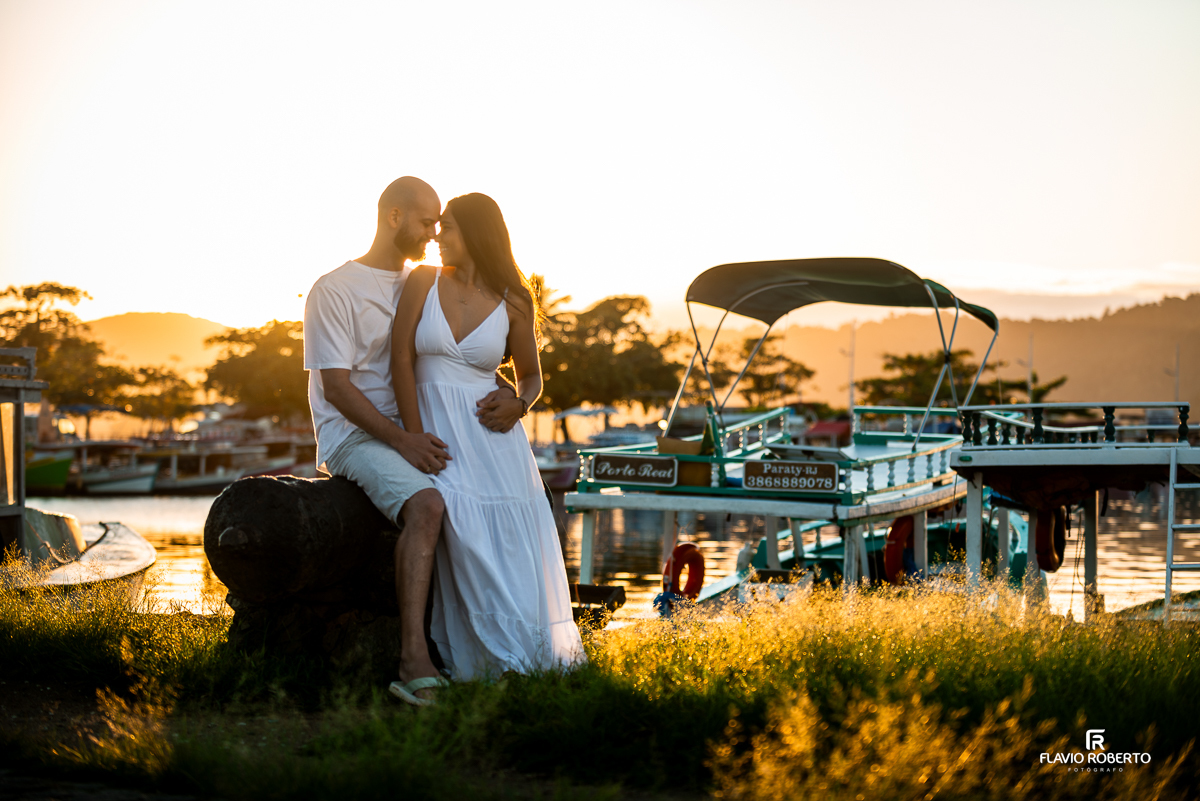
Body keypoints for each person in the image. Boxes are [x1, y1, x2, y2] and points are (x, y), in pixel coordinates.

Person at [303, 177, 522, 705]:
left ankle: (498, 646)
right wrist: (403, 440)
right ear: (394, 216)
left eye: (440, 223)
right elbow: (336, 387)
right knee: (428, 505)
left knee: (487, 505)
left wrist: (514, 394)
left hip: (420, 429)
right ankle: (413, 661)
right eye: (427, 221)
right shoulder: (335, 289)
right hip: (356, 434)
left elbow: (463, 354)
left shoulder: (424, 281)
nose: (435, 230)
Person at [390, 192, 586, 682]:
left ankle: (526, 658)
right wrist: (414, 437)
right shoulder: (423, 282)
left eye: (449, 227)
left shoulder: (514, 300)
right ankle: (485, 660)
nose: (438, 237)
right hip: (438, 440)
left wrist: (521, 404)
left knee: (512, 548)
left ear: (476, 234)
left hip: (495, 444)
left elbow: (532, 377)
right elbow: (401, 361)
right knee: (464, 535)